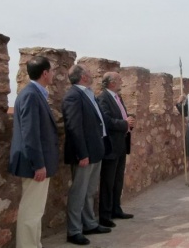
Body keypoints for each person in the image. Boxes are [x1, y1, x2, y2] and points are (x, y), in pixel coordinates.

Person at [8, 56, 59, 248]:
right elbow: (30, 134)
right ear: (45, 73)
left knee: (35, 211)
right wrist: (39, 164)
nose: (54, 74)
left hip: (37, 163)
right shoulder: (31, 95)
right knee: (31, 212)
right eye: (52, 70)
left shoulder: (35, 93)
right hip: (34, 164)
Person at [63, 65, 112, 246]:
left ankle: (90, 223)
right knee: (79, 192)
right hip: (84, 154)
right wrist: (81, 153)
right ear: (83, 77)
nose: (92, 75)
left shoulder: (89, 94)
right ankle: (74, 230)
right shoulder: (73, 96)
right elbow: (74, 127)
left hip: (95, 150)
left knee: (90, 190)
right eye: (89, 73)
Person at [97, 72, 135, 228]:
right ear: (111, 82)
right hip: (111, 146)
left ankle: (116, 209)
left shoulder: (117, 97)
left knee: (118, 180)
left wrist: (129, 121)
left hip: (121, 145)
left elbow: (120, 116)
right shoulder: (103, 98)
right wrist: (125, 123)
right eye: (119, 79)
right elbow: (106, 121)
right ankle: (105, 215)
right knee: (108, 181)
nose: (122, 81)